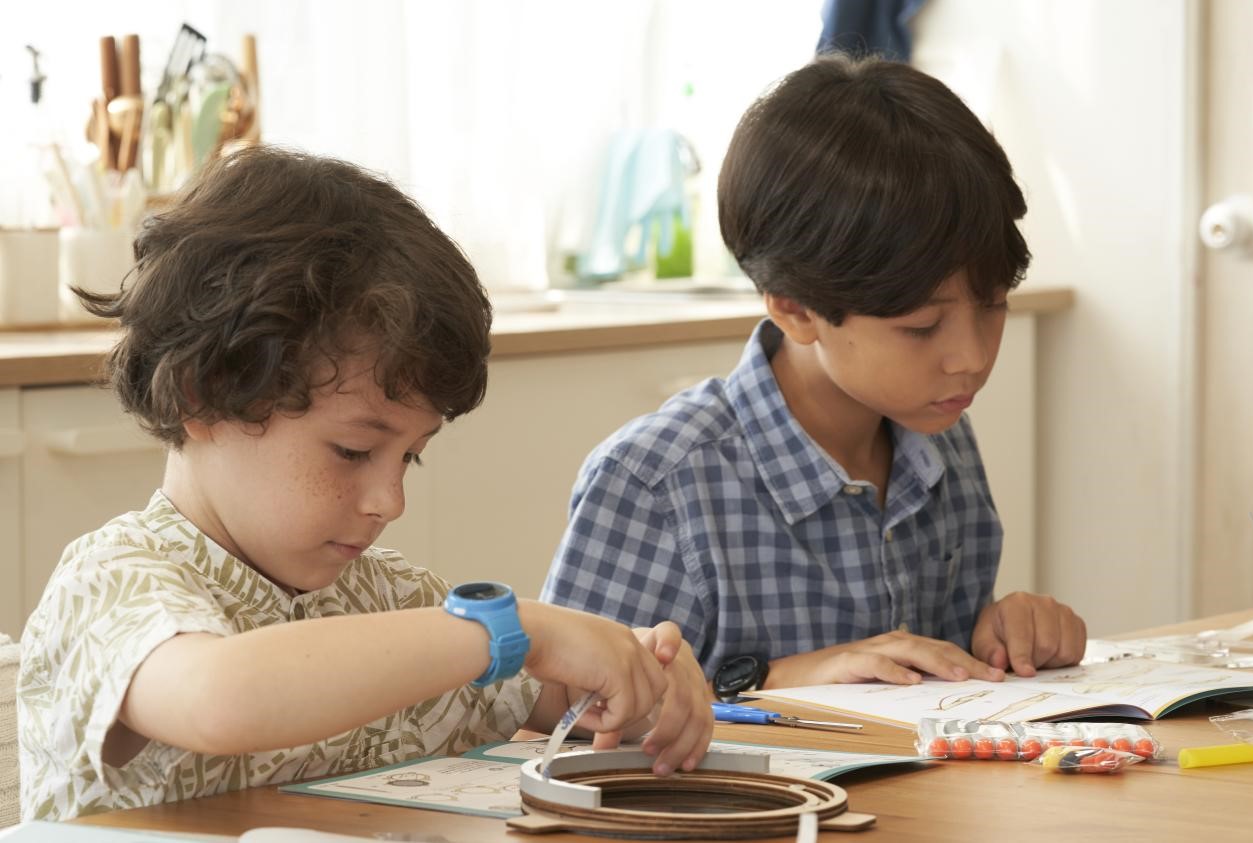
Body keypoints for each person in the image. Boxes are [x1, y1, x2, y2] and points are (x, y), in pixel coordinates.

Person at [18, 147, 712, 821]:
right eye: (352, 450)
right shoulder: (109, 583)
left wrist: (636, 674)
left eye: (409, 456)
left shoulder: (386, 597)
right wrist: (516, 626)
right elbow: (222, 694)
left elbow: (553, 687)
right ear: (201, 399)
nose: (390, 501)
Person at [541, 55, 1086, 694]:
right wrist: (781, 680)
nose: (971, 356)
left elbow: (936, 685)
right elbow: (558, 712)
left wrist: (1004, 635)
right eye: (920, 326)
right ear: (795, 308)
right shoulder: (659, 481)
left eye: (993, 303)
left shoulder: (941, 439)